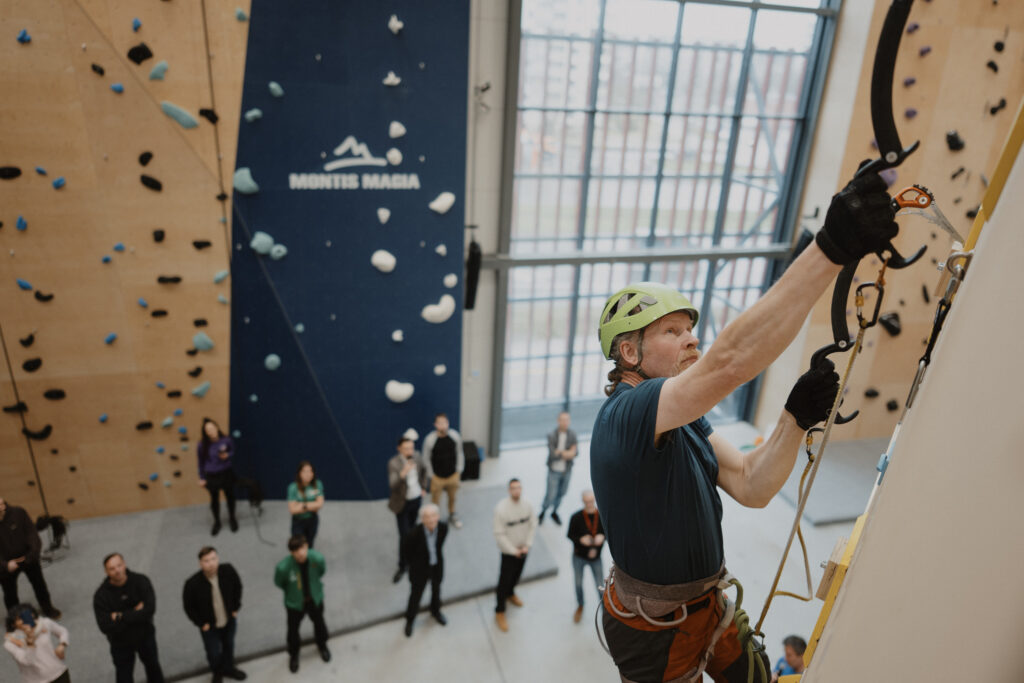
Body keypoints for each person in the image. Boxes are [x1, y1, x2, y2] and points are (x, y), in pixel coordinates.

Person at [590, 170, 898, 682]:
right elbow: (729, 362)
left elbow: (751, 484)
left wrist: (794, 419)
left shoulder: (683, 421)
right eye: (672, 331)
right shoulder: (625, 415)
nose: (692, 339)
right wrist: (830, 249)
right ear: (630, 352)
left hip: (707, 606)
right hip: (653, 633)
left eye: (691, 329)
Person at [93, 553, 165, 683]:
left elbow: (149, 610)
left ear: (124, 564)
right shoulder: (101, 596)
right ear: (106, 571)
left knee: (153, 668)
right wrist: (135, 613)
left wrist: (120, 616)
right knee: (124, 676)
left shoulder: (141, 581)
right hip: (120, 642)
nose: (117, 570)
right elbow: (105, 626)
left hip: (145, 636)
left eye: (119, 565)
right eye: (112, 568)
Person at [182, 547, 246, 682]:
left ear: (218, 559)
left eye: (213, 559)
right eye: (206, 561)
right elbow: (189, 607)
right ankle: (217, 672)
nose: (211, 563)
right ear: (200, 563)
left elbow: (238, 587)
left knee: (229, 645)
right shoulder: (192, 584)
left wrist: (235, 608)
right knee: (213, 652)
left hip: (228, 619)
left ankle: (229, 668)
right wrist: (201, 624)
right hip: (209, 626)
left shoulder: (228, 570)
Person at [273, 535, 330, 673]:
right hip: (294, 604)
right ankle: (294, 654)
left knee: (319, 624)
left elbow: (321, 572)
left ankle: (322, 645)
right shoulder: (283, 568)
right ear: (291, 552)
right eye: (296, 550)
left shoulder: (317, 559)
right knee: (293, 630)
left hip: (315, 599)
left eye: (303, 548)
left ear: (307, 546)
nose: (300, 553)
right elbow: (279, 582)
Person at [0, 498, 60, 619]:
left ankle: (47, 608)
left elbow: (32, 534)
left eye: (1, 504)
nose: (1, 507)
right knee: (10, 593)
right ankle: (15, 618)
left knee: (39, 585)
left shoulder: (18, 512)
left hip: (28, 557)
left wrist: (32, 554)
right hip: (7, 564)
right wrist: (5, 565)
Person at [492, 478, 536, 633]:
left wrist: (527, 545)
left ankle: (511, 593)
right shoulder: (501, 509)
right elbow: (499, 534)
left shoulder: (528, 505)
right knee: (503, 581)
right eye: (513, 488)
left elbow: (532, 525)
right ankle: (499, 610)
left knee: (517, 575)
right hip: (509, 553)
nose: (517, 491)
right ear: (509, 490)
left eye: (519, 487)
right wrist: (513, 550)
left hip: (524, 550)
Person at [401, 503, 448, 637]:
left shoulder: (443, 528)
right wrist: (415, 565)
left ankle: (435, 611)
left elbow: (439, 546)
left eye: (433, 515)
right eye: (427, 517)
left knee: (436, 590)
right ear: (422, 519)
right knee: (415, 596)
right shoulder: (413, 535)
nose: (431, 519)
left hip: (436, 566)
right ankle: (410, 620)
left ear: (438, 516)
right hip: (419, 570)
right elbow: (407, 554)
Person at [387, 437, 428, 584]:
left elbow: (424, 471)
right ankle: (403, 565)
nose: (409, 451)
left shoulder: (417, 456)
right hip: (402, 504)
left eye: (411, 448)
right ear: (399, 449)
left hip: (416, 499)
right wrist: (403, 473)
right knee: (404, 536)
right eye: (406, 449)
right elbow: (393, 485)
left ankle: (413, 560)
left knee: (413, 530)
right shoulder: (394, 463)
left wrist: (423, 487)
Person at [4, 603, 70, 683]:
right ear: (13, 624)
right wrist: (30, 643)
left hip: (58, 672)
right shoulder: (10, 643)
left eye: (27, 615)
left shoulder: (44, 623)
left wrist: (62, 645)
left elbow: (63, 631)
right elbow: (27, 661)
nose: (24, 620)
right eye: (19, 619)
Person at [566, 490, 605, 624]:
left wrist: (603, 537)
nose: (589, 504)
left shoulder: (602, 516)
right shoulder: (576, 517)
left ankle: (605, 610)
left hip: (596, 558)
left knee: (600, 585)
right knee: (578, 583)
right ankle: (580, 605)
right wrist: (580, 540)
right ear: (582, 501)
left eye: (591, 501)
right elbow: (570, 535)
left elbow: (609, 534)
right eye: (586, 501)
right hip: (579, 557)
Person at [422, 414, 465, 529]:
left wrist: (459, 470)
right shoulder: (430, 440)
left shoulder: (455, 436)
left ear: (448, 423)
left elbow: (460, 453)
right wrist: (431, 475)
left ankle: (452, 514)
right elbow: (426, 458)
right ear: (435, 425)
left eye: (445, 422)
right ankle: (435, 521)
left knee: (453, 497)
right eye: (440, 423)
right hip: (437, 477)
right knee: (435, 500)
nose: (443, 425)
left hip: (453, 475)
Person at [197, 418, 239, 536]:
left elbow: (232, 451)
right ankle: (217, 522)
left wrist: (227, 455)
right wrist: (202, 477)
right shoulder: (202, 445)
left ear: (216, 427)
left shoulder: (226, 440)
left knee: (230, 497)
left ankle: (232, 518)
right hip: (212, 475)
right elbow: (200, 462)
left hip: (226, 473)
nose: (211, 431)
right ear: (205, 432)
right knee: (214, 500)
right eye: (208, 430)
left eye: (212, 428)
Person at [538, 411, 578, 525]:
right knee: (550, 495)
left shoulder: (572, 434)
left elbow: (576, 453)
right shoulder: (551, 435)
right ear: (558, 421)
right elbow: (553, 455)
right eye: (563, 420)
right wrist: (568, 453)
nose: (565, 422)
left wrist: (560, 452)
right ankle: (543, 511)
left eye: (567, 420)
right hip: (554, 471)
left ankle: (554, 512)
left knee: (562, 493)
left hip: (567, 471)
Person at [287, 462, 324, 548]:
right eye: (305, 471)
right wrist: (312, 505)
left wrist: (302, 505)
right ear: (299, 473)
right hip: (298, 521)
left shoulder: (318, 484)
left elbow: (320, 504)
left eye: (310, 471)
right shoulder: (293, 487)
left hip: (312, 519)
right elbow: (292, 510)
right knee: (298, 545)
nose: (308, 474)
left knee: (310, 543)